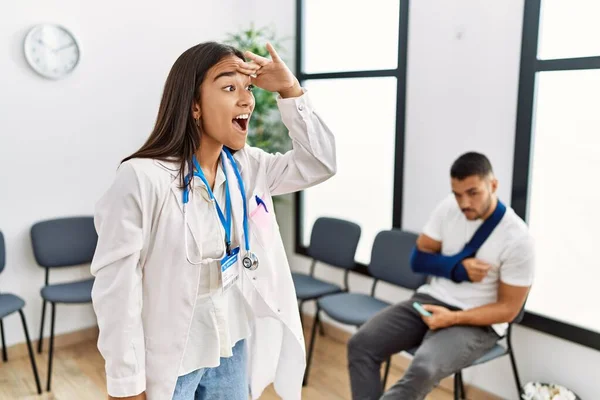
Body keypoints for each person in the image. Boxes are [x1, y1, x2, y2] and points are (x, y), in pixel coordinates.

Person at [90, 41, 336, 400]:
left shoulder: (246, 167)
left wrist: (289, 90)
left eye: (248, 88)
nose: (247, 100)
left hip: (231, 340)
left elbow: (320, 163)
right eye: (229, 87)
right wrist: (126, 383)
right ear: (193, 106)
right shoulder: (143, 178)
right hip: (173, 355)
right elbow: (117, 288)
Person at [347, 152, 534, 400]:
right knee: (361, 344)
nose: (464, 202)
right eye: (458, 194)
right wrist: (457, 268)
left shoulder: (518, 238)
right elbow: (419, 260)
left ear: (493, 185)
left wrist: (453, 318)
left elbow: (508, 310)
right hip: (431, 300)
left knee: (423, 368)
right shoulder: (449, 208)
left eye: (473, 192)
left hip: (477, 321)